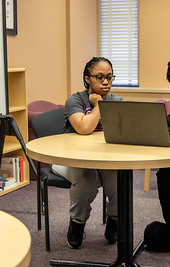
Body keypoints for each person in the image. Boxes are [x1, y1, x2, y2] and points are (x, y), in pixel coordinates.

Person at [51, 57, 123, 249]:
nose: (106, 82)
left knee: (119, 176)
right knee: (86, 177)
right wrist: (98, 106)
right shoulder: (75, 100)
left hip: (104, 159)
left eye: (109, 77)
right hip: (70, 158)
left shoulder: (118, 102)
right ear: (87, 78)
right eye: (99, 77)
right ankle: (77, 223)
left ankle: (114, 219)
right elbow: (84, 128)